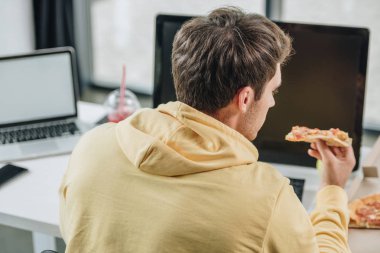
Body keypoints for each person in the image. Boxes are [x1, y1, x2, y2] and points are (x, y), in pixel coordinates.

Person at [60, 7, 356, 253]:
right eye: (272, 92)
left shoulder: (92, 146)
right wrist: (332, 189)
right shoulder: (266, 199)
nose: (273, 103)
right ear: (244, 99)